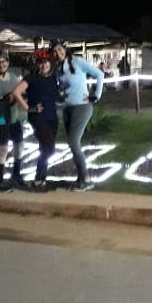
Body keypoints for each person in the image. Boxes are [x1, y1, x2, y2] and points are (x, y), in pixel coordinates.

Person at [51, 39, 105, 191]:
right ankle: (81, 178)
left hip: (82, 107)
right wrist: (59, 97)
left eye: (60, 49)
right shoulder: (57, 68)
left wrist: (96, 95)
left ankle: (86, 179)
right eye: (54, 51)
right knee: (73, 144)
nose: (58, 53)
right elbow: (60, 88)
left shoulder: (77, 61)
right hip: (68, 108)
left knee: (73, 141)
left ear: (65, 49)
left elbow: (99, 74)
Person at [9, 48, 58, 192]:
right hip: (38, 118)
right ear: (37, 64)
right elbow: (16, 92)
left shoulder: (53, 78)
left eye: (46, 62)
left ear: (50, 63)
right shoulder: (31, 78)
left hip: (52, 117)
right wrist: (28, 108)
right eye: (41, 63)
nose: (44, 65)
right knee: (49, 148)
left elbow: (55, 96)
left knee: (44, 148)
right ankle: (37, 180)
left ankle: (42, 180)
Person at [0, 51, 26, 191]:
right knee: (3, 149)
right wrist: (2, 99)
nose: (1, 65)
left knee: (19, 146)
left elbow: (19, 92)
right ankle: (1, 181)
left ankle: (16, 176)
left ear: (8, 62)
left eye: (4, 61)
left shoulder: (13, 77)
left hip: (13, 118)